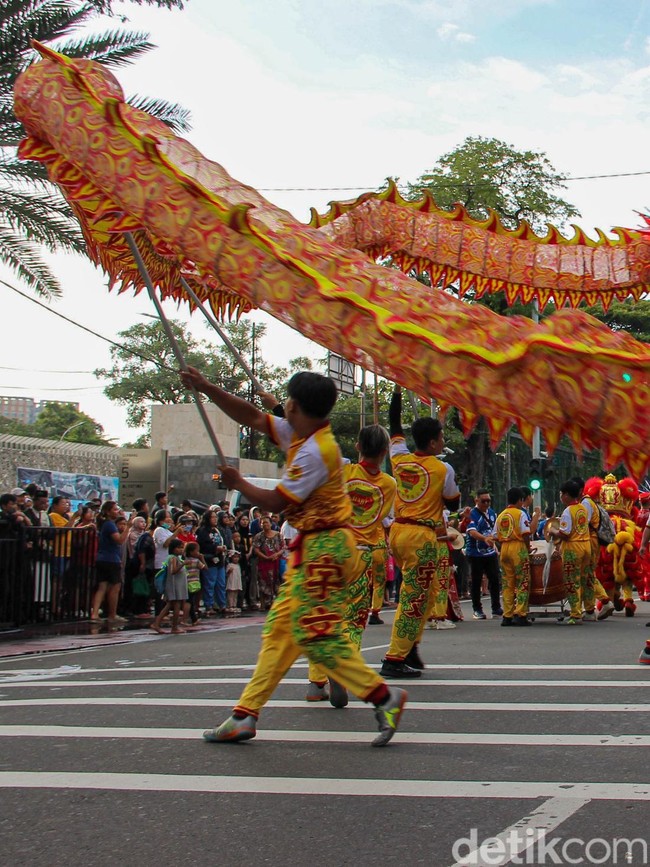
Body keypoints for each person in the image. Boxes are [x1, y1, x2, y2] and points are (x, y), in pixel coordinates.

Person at [180, 365, 406, 747]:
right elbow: (251, 415)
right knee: (280, 632)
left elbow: (275, 502)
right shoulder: (301, 433)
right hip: (317, 548)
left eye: (286, 401)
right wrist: (206, 387)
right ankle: (245, 714)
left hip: (326, 551)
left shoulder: (317, 451)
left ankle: (383, 696)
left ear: (295, 406)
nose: (282, 406)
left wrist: (238, 483)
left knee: (313, 634)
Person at [306, 423, 396, 706]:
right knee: (354, 621)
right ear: (385, 452)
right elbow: (384, 518)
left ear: (357, 446)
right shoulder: (389, 484)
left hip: (331, 550)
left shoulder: (341, 472)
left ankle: (315, 683)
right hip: (362, 554)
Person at [380, 386, 460, 678]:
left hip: (398, 534)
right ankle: (394, 658)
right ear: (433, 442)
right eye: (440, 437)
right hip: (422, 537)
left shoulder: (399, 458)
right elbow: (453, 501)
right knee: (414, 596)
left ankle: (410, 646)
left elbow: (393, 425)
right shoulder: (443, 469)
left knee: (422, 595)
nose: (443, 441)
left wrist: (397, 393)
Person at [548, 478, 591, 625]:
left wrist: (553, 530)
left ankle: (575, 613)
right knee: (582, 579)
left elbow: (565, 534)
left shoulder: (568, 511)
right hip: (586, 546)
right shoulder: (582, 509)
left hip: (573, 548)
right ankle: (585, 610)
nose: (561, 497)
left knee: (571, 581)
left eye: (561, 494)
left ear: (566, 495)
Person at [90, 501, 133, 622]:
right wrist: (128, 527)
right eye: (114, 509)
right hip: (111, 559)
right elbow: (119, 540)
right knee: (115, 588)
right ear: (108, 512)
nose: (117, 511)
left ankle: (95, 614)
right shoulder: (110, 524)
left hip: (103, 558)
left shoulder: (105, 524)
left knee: (102, 587)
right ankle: (112, 614)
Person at [495, 486, 531, 626]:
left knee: (507, 583)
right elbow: (526, 533)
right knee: (523, 582)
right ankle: (520, 614)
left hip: (504, 548)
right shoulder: (520, 514)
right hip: (518, 547)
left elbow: (495, 536)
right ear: (520, 500)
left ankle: (507, 615)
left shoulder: (501, 515)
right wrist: (527, 548)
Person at [466, 490, 502, 620]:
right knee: (476, 582)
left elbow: (495, 531)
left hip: (490, 552)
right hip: (475, 553)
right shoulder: (472, 514)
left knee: (494, 579)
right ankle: (477, 609)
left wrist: (495, 541)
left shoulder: (492, 513)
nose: (486, 503)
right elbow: (472, 532)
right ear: (476, 501)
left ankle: (496, 608)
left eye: (488, 500)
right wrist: (484, 539)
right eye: (483, 501)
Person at [150, 538, 188, 635]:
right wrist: (183, 564)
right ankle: (174, 626)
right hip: (174, 585)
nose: (181, 550)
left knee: (169, 605)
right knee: (176, 605)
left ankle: (156, 623)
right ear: (173, 549)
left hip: (178, 585)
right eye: (179, 548)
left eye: (182, 548)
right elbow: (173, 571)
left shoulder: (176, 558)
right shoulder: (172, 558)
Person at [196, 509, 226, 615]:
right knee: (209, 583)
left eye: (216, 517)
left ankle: (222, 604)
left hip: (220, 560)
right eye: (213, 517)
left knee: (221, 583)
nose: (215, 519)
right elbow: (202, 546)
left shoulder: (218, 530)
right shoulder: (203, 531)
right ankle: (209, 605)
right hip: (209, 559)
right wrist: (215, 548)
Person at [252, 515, 283, 610]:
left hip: (275, 562)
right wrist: (266, 557)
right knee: (263, 582)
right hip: (264, 562)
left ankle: (276, 603)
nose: (265, 524)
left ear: (271, 524)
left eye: (266, 522)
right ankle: (263, 604)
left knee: (276, 582)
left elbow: (283, 547)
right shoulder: (258, 536)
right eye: (263, 523)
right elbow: (256, 549)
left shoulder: (278, 534)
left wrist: (276, 555)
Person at [225, 550, 243, 615]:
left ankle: (234, 605)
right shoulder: (230, 565)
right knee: (231, 594)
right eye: (234, 557)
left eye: (237, 557)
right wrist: (229, 571)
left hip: (236, 582)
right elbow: (226, 574)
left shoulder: (238, 565)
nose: (236, 558)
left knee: (235, 594)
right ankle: (230, 605)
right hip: (231, 582)